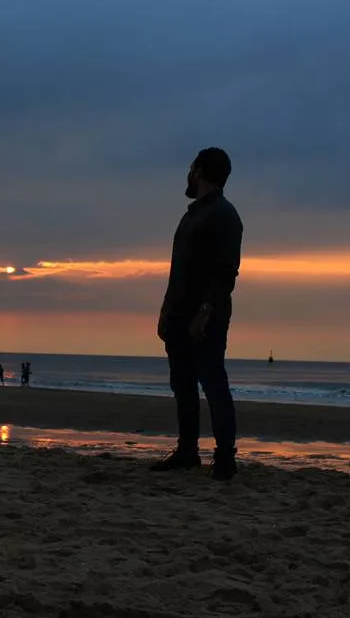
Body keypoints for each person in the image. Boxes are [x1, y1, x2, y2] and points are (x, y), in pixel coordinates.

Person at [153, 147, 243, 481]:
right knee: (183, 385)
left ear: (201, 171)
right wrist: (166, 311)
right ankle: (187, 451)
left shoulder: (223, 215)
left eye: (191, 168)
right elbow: (179, 271)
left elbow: (226, 273)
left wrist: (205, 311)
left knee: (213, 383)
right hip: (178, 315)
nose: (188, 174)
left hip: (205, 317)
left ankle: (225, 458)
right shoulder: (193, 214)